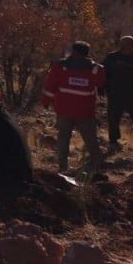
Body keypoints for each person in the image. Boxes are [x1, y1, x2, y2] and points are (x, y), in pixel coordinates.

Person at [42, 41, 107, 175]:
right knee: (90, 139)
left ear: (73, 52)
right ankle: (97, 164)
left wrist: (45, 101)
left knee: (63, 138)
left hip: (64, 109)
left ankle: (62, 167)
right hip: (85, 110)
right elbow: (101, 83)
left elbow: (50, 86)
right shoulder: (96, 69)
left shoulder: (60, 66)